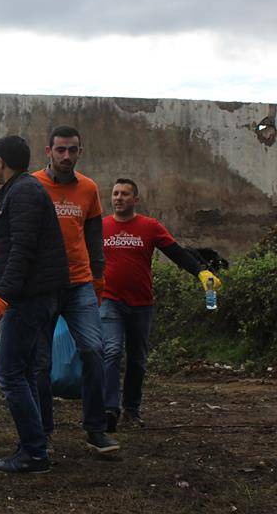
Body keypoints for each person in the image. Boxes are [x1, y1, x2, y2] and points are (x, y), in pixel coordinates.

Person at [101, 178, 222, 431]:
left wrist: (200, 272)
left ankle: (131, 411)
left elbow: (176, 252)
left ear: (136, 200)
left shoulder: (149, 226)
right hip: (109, 300)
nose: (119, 198)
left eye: (125, 194)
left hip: (141, 304)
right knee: (111, 351)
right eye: (115, 193)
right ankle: (109, 409)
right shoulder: (101, 227)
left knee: (137, 359)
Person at [0, 135, 69, 473]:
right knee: (28, 372)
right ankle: (34, 443)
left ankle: (34, 452)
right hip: (34, 294)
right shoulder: (23, 191)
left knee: (10, 374)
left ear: (0, 161)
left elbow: (22, 250)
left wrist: (3, 294)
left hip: (30, 297)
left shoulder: (24, 192)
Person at [32, 125, 120, 454]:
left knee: (94, 350)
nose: (66, 156)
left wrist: (98, 278)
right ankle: (43, 432)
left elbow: (95, 237)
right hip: (42, 286)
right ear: (49, 151)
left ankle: (95, 429)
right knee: (40, 362)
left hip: (80, 283)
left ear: (80, 152)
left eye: (72, 150)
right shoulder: (32, 185)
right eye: (60, 150)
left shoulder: (89, 189)